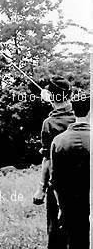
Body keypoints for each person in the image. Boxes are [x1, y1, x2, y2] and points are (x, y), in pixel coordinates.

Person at [32, 77, 76, 249]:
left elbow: (48, 160)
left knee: (56, 231)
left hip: (58, 187)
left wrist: (41, 189)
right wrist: (52, 97)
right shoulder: (79, 118)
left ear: (51, 96)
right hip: (83, 184)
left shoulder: (49, 124)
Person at [50, 93, 90, 248]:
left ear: (74, 110)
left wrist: (61, 207)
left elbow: (56, 180)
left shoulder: (59, 141)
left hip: (70, 207)